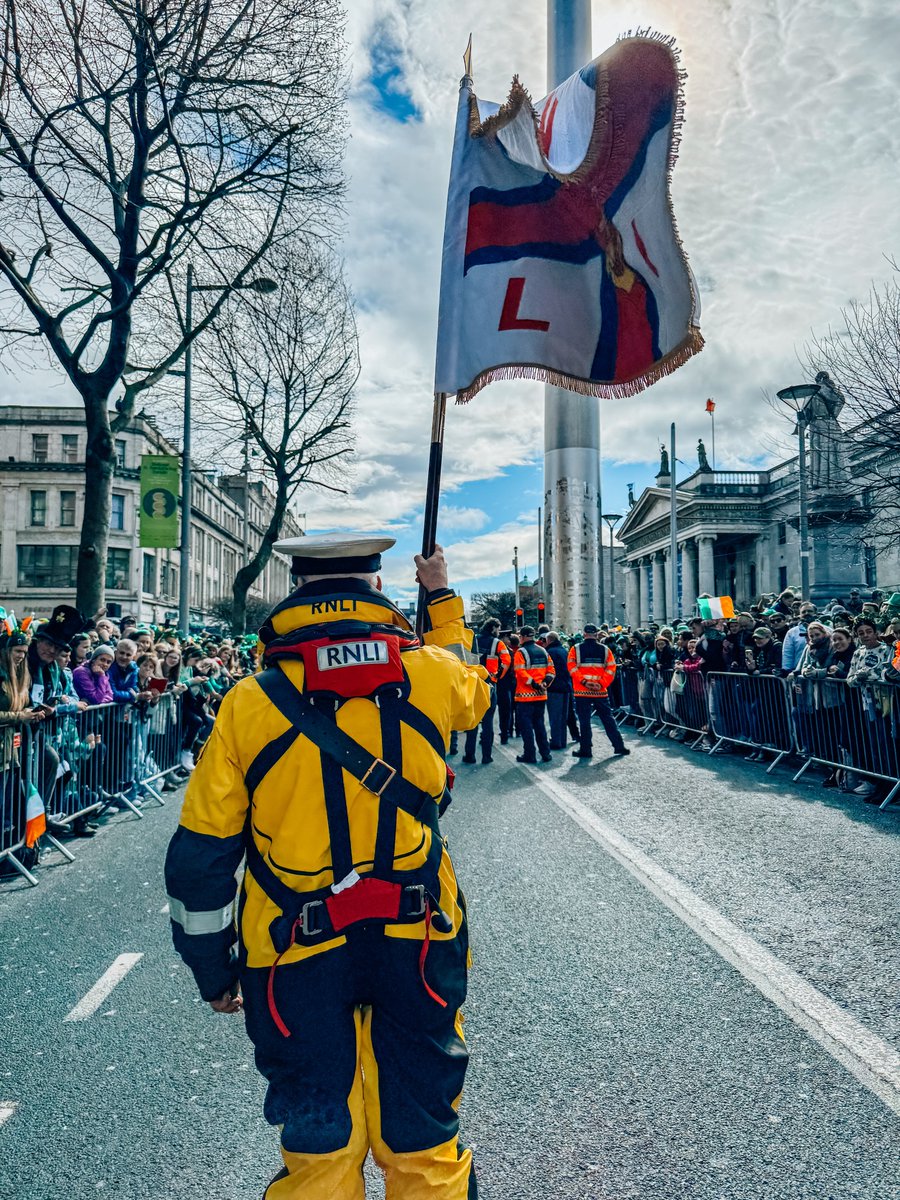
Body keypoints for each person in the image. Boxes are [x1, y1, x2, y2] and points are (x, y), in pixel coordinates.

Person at [165, 534, 489, 1200]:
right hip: (418, 935)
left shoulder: (248, 702)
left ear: (296, 592)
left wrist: (213, 970)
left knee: (319, 1144)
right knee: (423, 1135)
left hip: (290, 953)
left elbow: (201, 857)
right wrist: (439, 598)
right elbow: (472, 689)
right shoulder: (429, 672)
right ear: (373, 589)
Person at [567, 623, 629, 759]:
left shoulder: (575, 649)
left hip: (582, 691)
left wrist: (584, 682)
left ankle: (586, 749)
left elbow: (571, 668)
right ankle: (619, 746)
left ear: (584, 634)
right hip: (600, 691)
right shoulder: (605, 649)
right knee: (608, 719)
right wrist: (601, 684)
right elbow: (611, 669)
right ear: (596, 634)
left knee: (584, 721)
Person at [462, 618, 510, 764]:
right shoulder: (497, 643)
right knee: (488, 721)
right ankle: (486, 756)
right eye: (498, 628)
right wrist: (497, 676)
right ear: (494, 627)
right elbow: (507, 660)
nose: (499, 631)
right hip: (489, 685)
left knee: (473, 720)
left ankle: (470, 755)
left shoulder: (473, 640)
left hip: (473, 684)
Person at [513, 626, 554, 763]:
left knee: (527, 727)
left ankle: (530, 755)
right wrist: (544, 684)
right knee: (539, 725)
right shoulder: (543, 651)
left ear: (523, 637)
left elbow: (521, 672)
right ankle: (545, 753)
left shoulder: (521, 652)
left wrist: (535, 684)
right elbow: (551, 671)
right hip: (541, 696)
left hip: (525, 696)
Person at [544, 631, 573, 750]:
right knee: (563, 716)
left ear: (549, 640)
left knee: (555, 716)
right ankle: (562, 740)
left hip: (555, 687)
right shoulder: (564, 651)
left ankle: (556, 741)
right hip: (566, 686)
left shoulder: (550, 652)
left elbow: (549, 670)